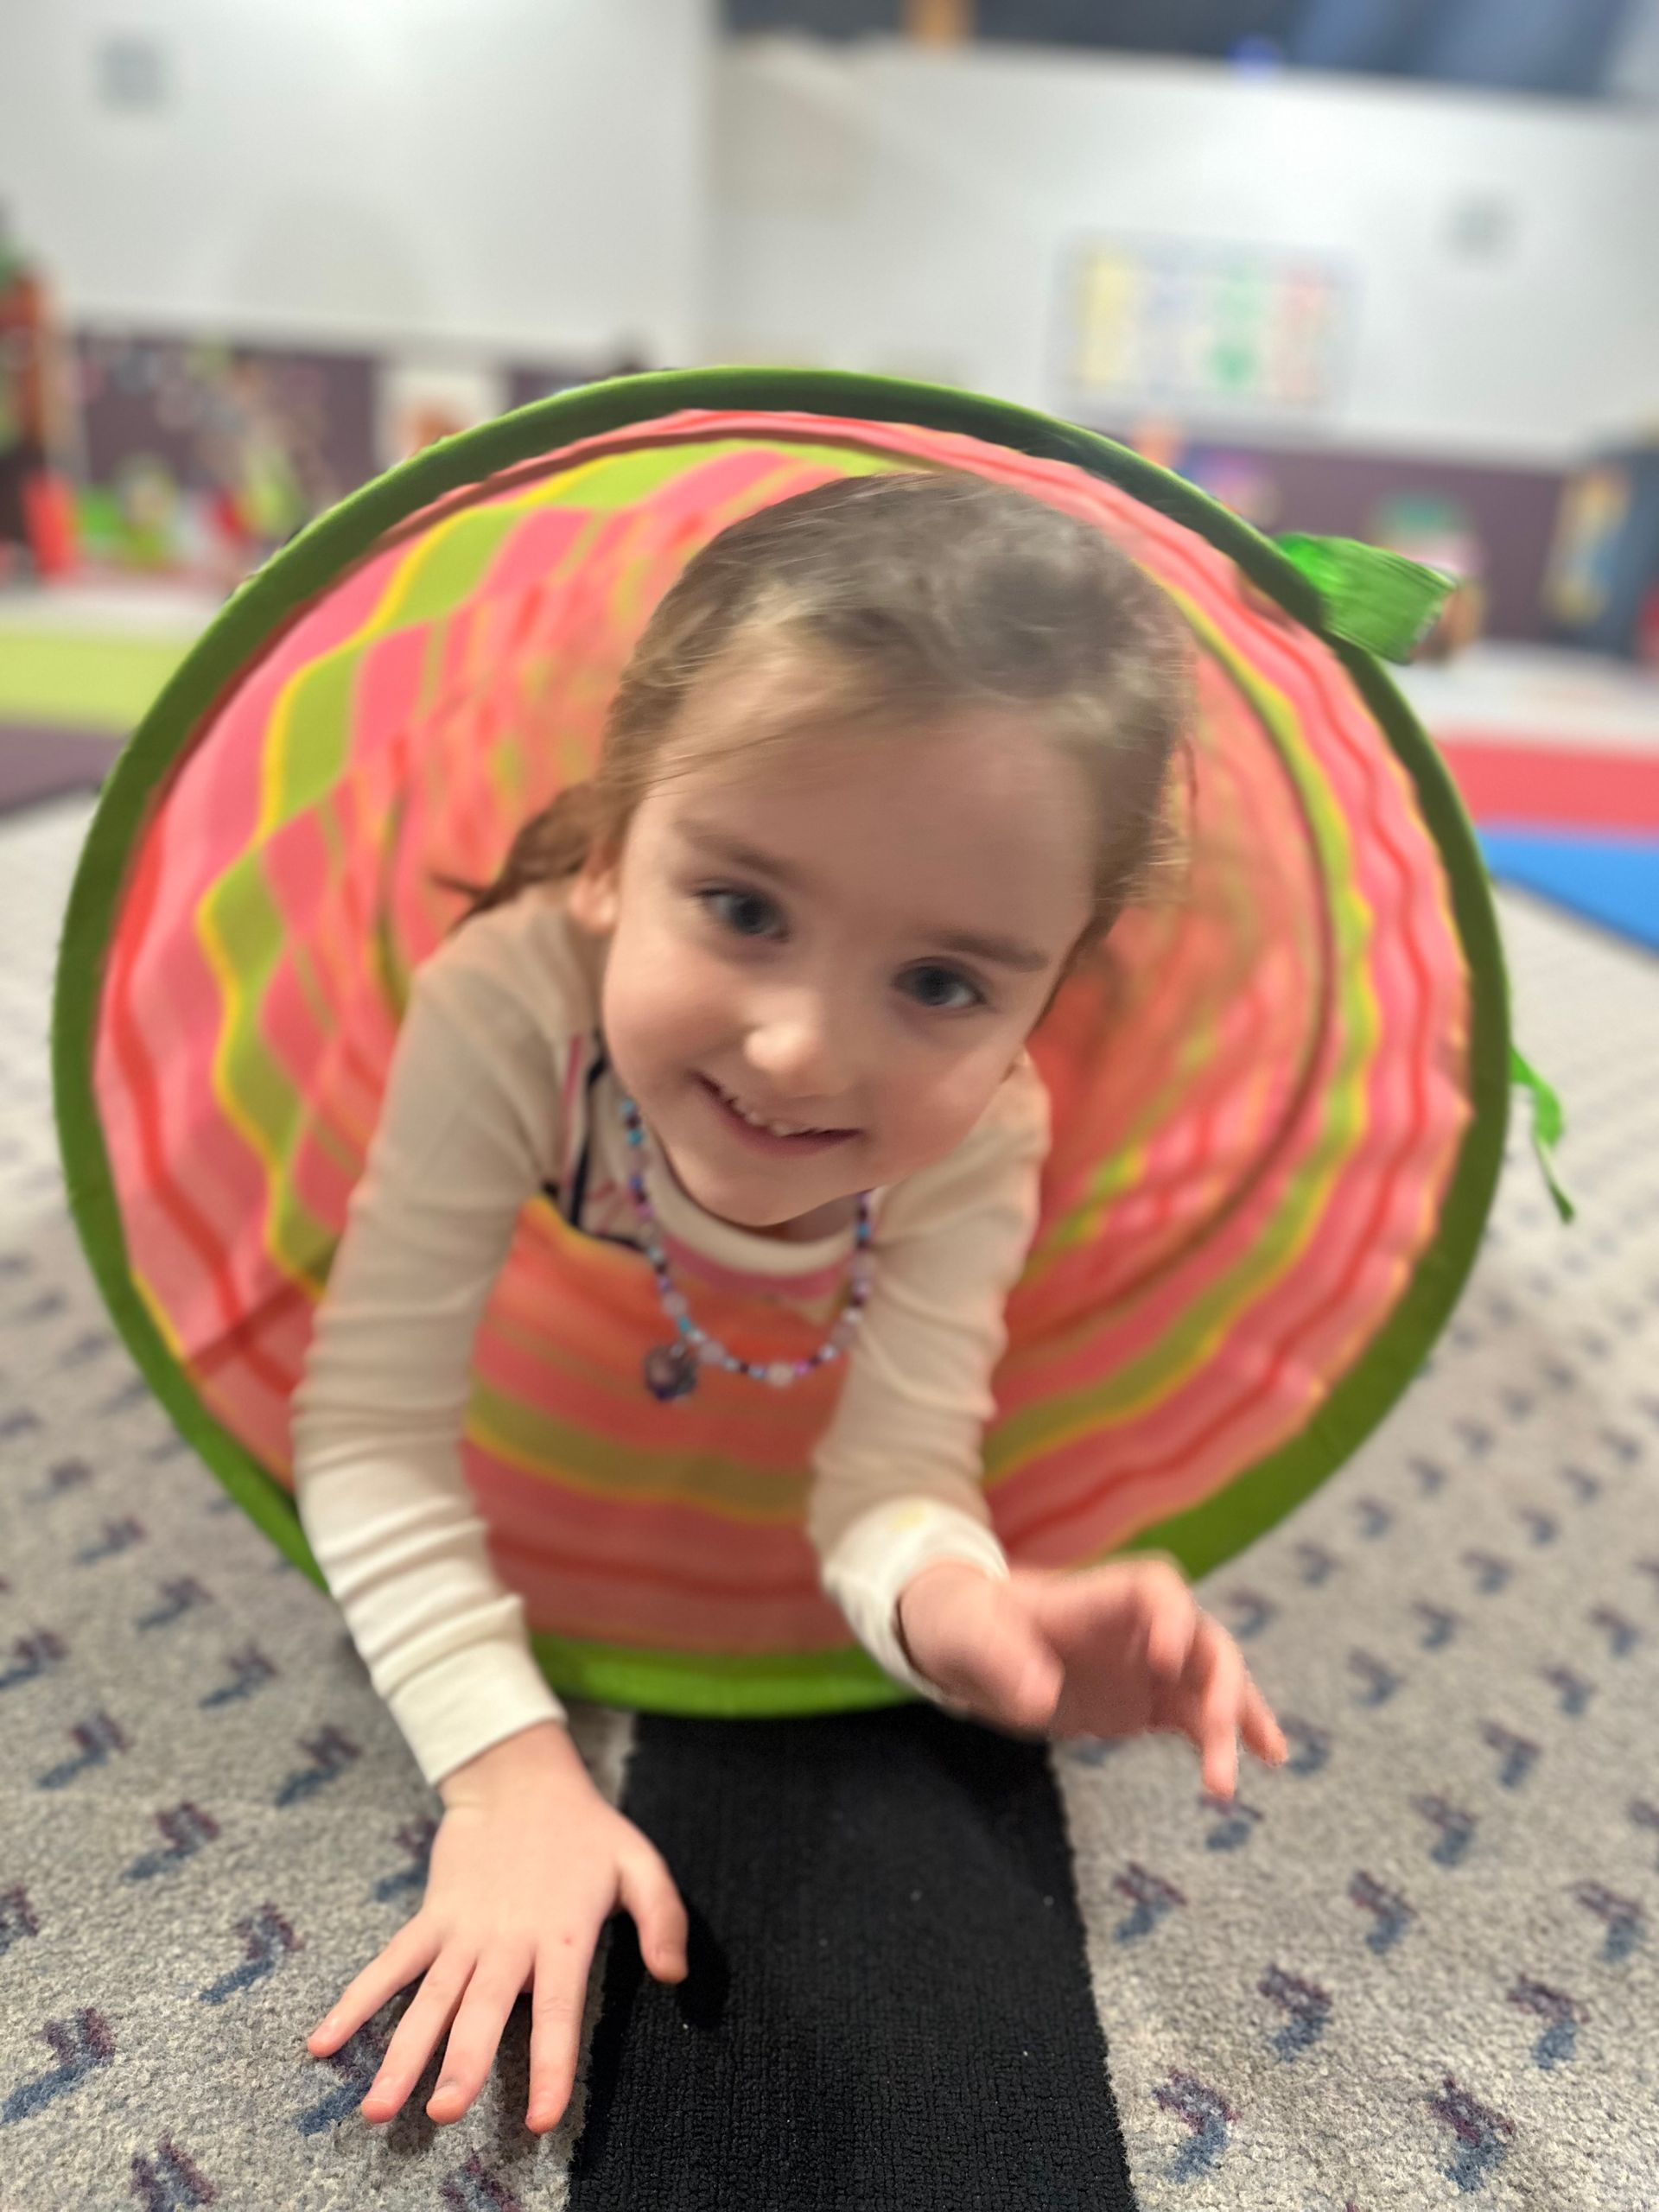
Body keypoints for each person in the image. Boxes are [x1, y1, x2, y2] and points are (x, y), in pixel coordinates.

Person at [296, 471, 1287, 2136]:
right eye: (743, 907)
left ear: (1057, 979)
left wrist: (966, 1611)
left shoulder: (990, 1140)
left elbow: (893, 1479)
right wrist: (509, 1765)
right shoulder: (506, 1004)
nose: (800, 1051)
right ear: (613, 847)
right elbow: (371, 1426)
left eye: (945, 981)